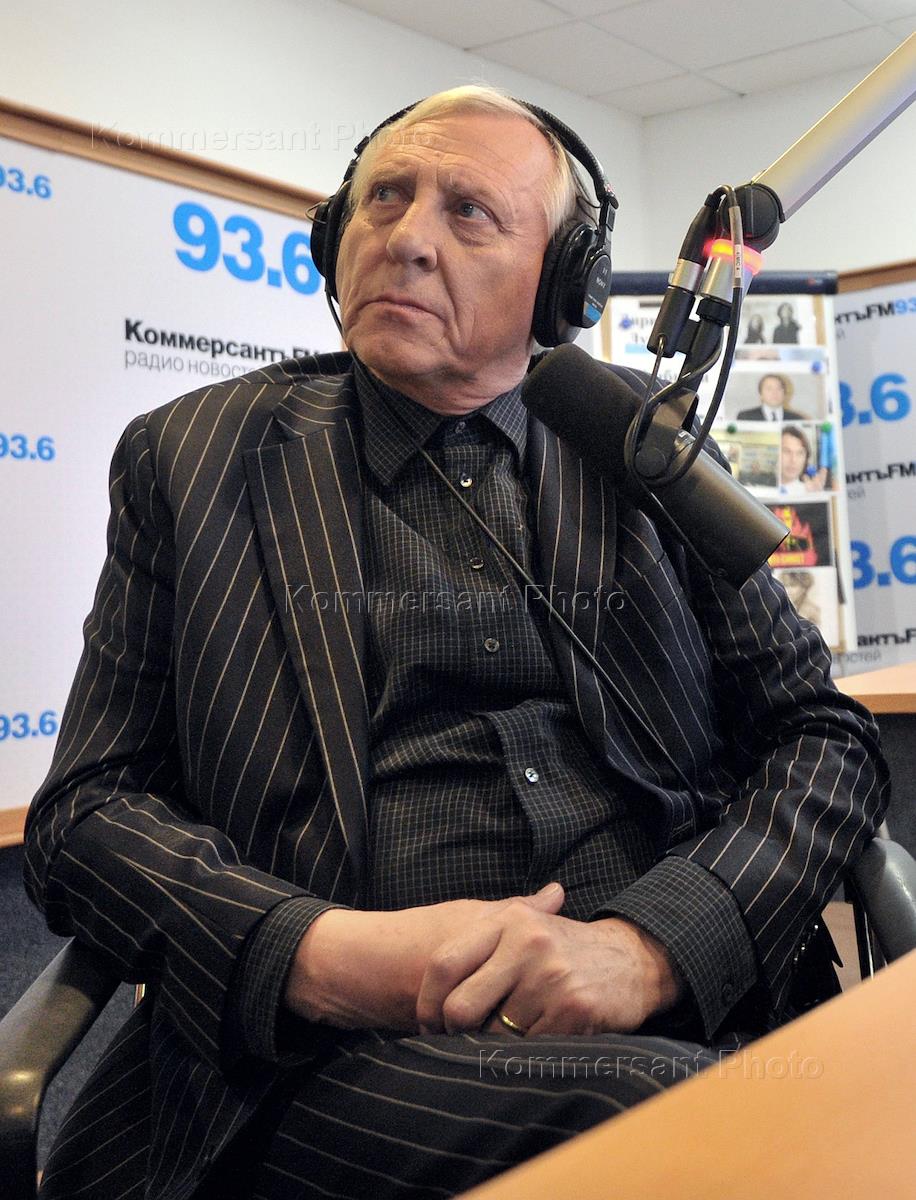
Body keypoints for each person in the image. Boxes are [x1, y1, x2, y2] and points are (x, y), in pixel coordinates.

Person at [23, 87, 888, 1200]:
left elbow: (821, 735)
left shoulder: (640, 449)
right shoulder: (193, 459)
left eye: (469, 212)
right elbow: (87, 813)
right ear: (334, 239)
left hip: (681, 1008)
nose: (407, 239)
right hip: (336, 1061)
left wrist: (655, 945)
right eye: (384, 198)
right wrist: (319, 954)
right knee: (704, 1139)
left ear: (564, 285)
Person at [780, 425, 828, 494]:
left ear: (806, 458)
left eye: (800, 453)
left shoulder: (811, 491)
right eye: (787, 451)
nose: (793, 460)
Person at [737, 372, 805, 421]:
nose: (774, 393)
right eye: (769, 389)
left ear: (784, 393)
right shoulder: (745, 417)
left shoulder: (797, 419)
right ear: (760, 394)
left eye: (779, 388)